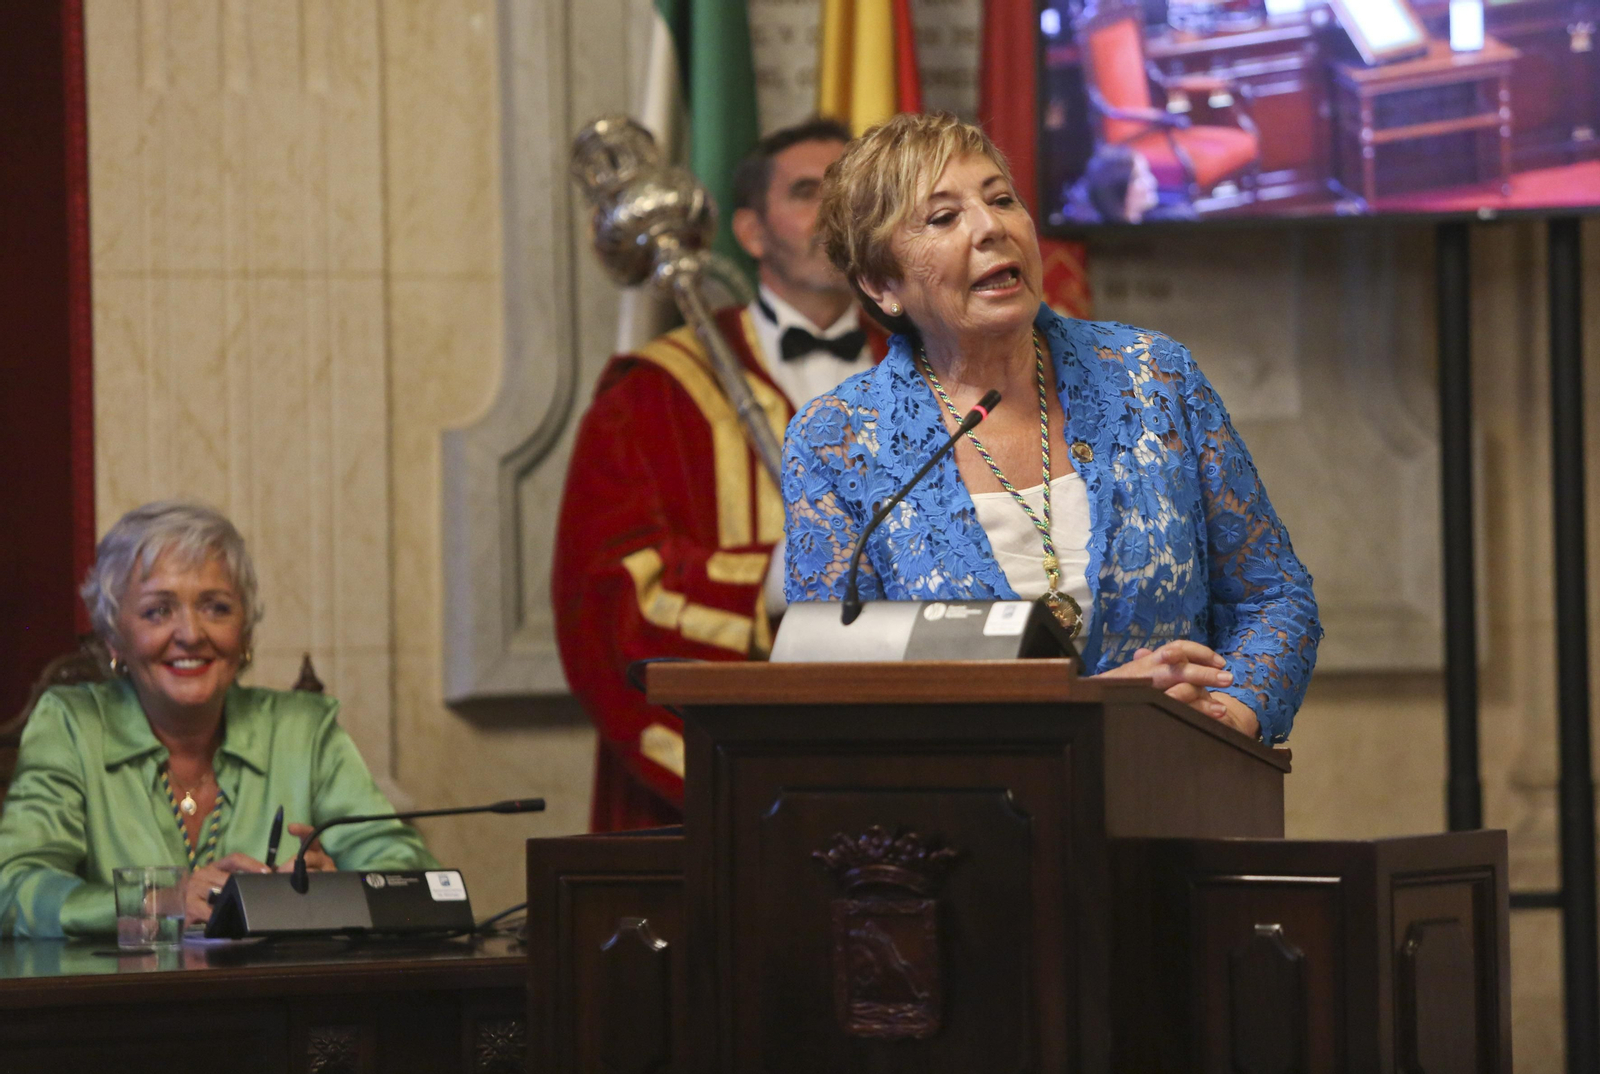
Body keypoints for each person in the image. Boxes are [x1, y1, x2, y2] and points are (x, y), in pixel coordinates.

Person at [785, 112, 1320, 743]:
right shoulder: (837, 441)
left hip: (1180, 796)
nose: (992, 228)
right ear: (882, 284)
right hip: (970, 822)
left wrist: (1229, 717)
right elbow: (835, 686)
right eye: (943, 217)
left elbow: (1274, 598)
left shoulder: (1154, 378)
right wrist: (1091, 708)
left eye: (1001, 199)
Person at [553, 118, 886, 832]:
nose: (834, 213)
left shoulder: (937, 373)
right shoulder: (650, 394)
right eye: (806, 193)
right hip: (723, 791)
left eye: (850, 193)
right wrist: (777, 577)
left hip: (908, 767)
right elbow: (604, 595)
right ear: (751, 230)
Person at [0, 502, 436, 937]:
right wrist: (158, 902)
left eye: (216, 608)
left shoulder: (304, 730)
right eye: (158, 611)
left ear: (245, 632)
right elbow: (13, 889)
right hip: (122, 1001)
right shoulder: (72, 725)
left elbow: (407, 872)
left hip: (282, 1000)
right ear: (115, 637)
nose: (191, 634)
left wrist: (335, 889)